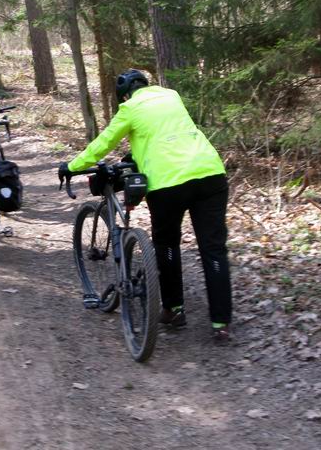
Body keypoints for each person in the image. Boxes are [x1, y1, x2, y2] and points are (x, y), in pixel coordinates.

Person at [58, 69, 232, 342]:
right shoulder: (171, 96)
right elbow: (166, 133)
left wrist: (71, 166)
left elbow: (102, 145)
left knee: (168, 245)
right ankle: (221, 323)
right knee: (213, 250)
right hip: (211, 174)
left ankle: (174, 310)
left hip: (168, 183)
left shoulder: (129, 108)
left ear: (125, 95)